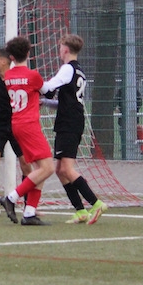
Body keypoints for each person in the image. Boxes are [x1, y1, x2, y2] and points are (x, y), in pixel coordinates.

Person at [41, 34, 106, 224]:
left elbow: (49, 87)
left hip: (69, 123)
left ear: (66, 49)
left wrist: (33, 81)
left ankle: (96, 203)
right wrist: (45, 102)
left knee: (67, 169)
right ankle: (80, 211)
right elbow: (66, 101)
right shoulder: (79, 71)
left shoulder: (67, 68)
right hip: (71, 121)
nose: (59, 50)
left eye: (60, 46)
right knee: (60, 169)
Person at [0, 36, 55, 226]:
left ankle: (29, 213)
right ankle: (11, 198)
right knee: (48, 168)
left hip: (17, 123)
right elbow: (49, 91)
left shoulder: (8, 76)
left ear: (11, 57)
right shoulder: (33, 75)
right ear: (29, 53)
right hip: (29, 124)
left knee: (40, 170)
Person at [0, 48, 30, 218]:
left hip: (17, 124)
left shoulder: (16, 77)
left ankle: (28, 206)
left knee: (26, 164)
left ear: (4, 61)